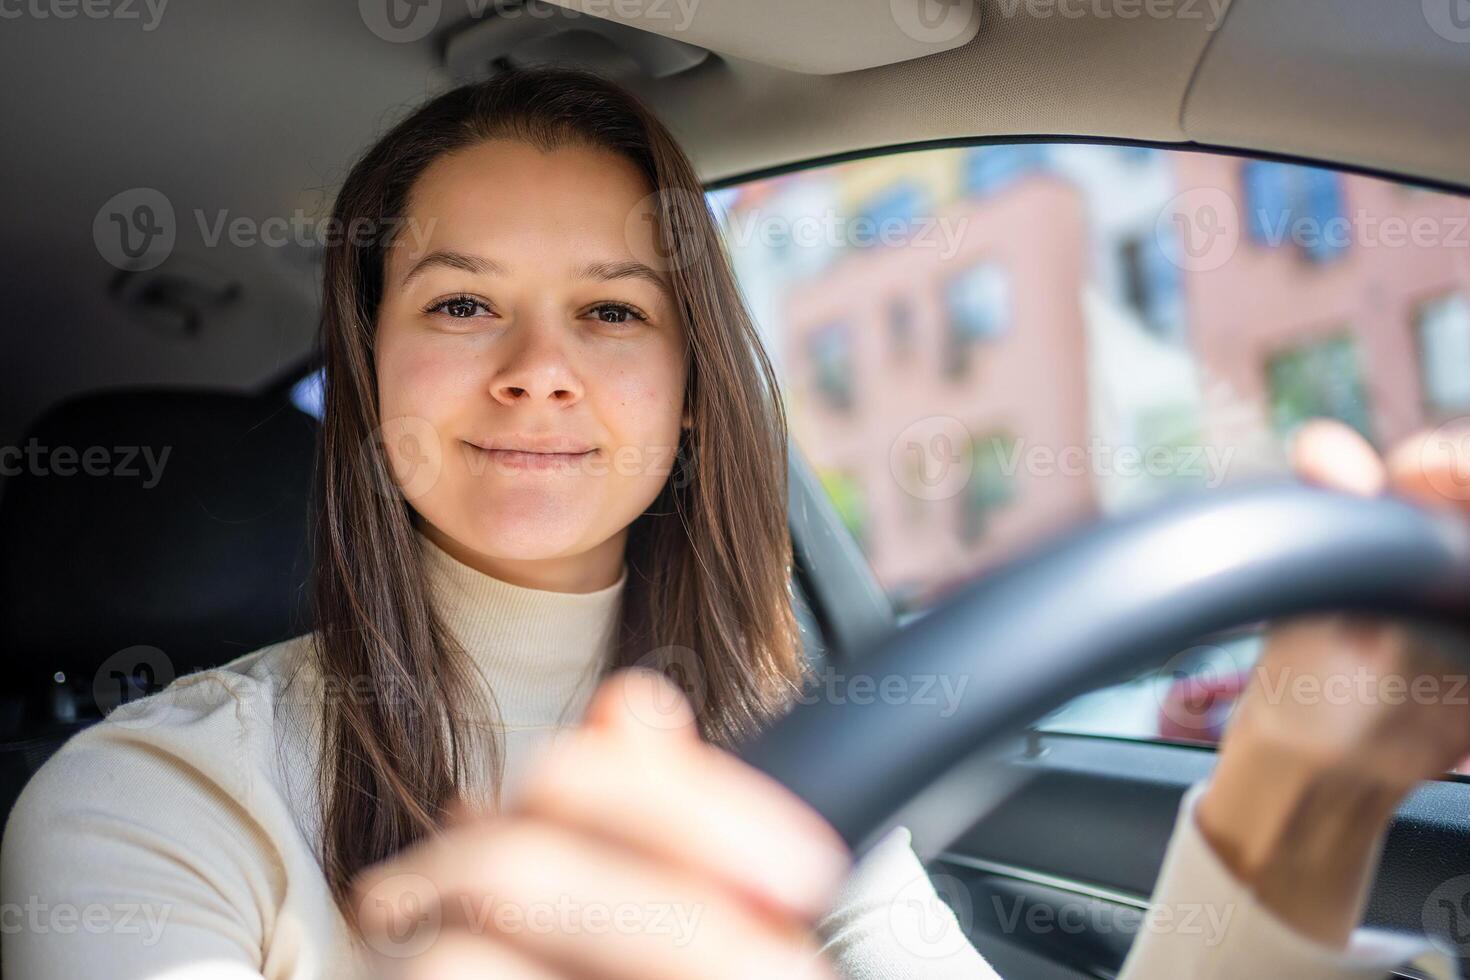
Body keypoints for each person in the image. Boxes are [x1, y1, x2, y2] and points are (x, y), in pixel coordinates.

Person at [3, 65, 1468, 980]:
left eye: (612, 310)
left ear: (695, 394)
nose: (539, 367)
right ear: (370, 377)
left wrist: (1292, 805)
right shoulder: (149, 801)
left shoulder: (786, 755)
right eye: (460, 304)